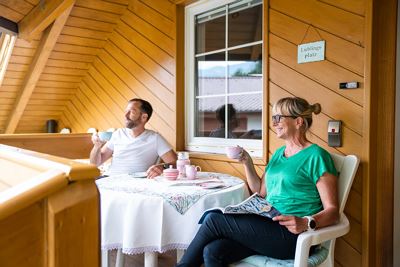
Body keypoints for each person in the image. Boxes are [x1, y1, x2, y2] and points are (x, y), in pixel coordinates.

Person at [176, 97, 339, 266]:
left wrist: (306, 222)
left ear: (298, 121)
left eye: (278, 118)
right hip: (268, 227)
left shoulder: (317, 156)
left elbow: (333, 211)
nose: (274, 123)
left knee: (213, 220)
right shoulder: (279, 154)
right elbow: (260, 192)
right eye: (273, 118)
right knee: (214, 251)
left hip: (294, 235)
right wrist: (247, 162)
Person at [90, 98, 177, 179]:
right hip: (110, 179)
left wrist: (162, 166)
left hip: (135, 184)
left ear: (144, 117)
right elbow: (94, 164)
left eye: (131, 112)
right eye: (126, 111)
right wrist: (97, 146)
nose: (125, 115)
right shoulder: (118, 134)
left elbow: (176, 163)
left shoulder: (155, 138)